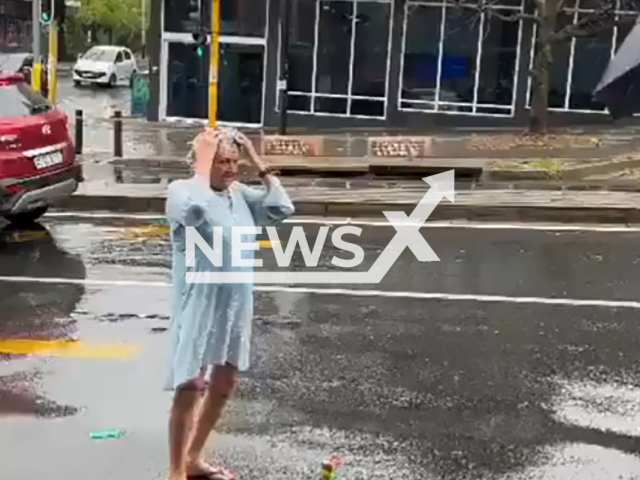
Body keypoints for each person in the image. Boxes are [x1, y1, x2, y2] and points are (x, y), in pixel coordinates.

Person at [164, 127, 294, 480]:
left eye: (234, 161)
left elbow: (282, 208)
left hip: (236, 301)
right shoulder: (181, 193)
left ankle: (194, 459)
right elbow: (194, 213)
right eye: (223, 161)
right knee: (191, 384)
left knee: (225, 382)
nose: (231, 168)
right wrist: (203, 169)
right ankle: (176, 471)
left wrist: (256, 159)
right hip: (200, 301)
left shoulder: (240, 195)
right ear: (204, 162)